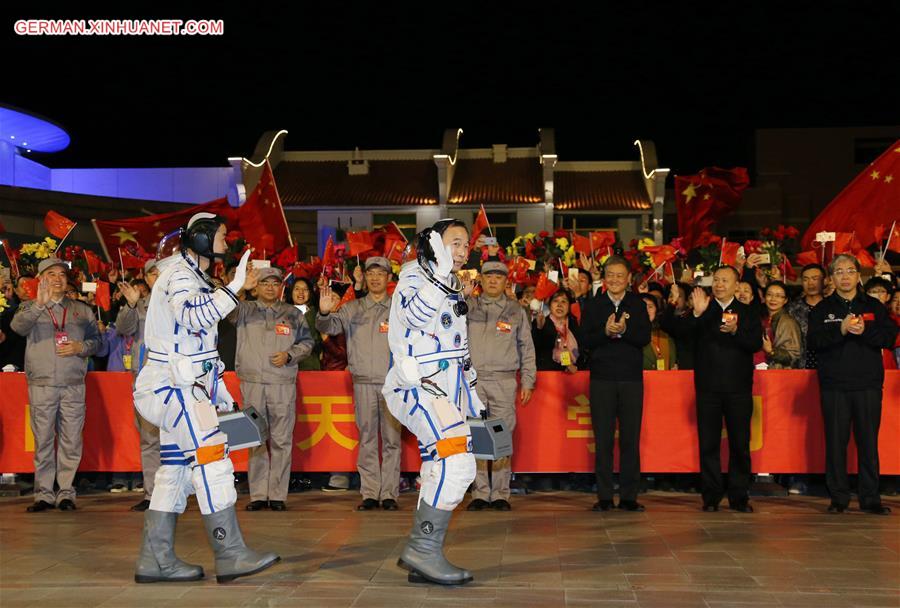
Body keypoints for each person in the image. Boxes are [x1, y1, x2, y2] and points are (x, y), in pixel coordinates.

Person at [132, 212, 279, 584]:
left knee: (175, 472)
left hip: (181, 385)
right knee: (213, 460)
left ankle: (155, 559)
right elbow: (195, 318)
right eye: (222, 236)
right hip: (173, 386)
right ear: (199, 238)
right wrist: (235, 287)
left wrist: (219, 393)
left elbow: (201, 349)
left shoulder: (193, 276)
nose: (226, 242)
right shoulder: (180, 277)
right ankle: (229, 553)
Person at [382, 219, 485, 585]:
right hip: (419, 384)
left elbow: (459, 343)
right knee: (456, 463)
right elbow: (415, 316)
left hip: (448, 386)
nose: (462, 250)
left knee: (439, 466)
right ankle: (423, 550)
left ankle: (421, 555)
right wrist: (441, 275)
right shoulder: (414, 276)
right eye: (454, 243)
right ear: (433, 244)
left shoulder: (450, 283)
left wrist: (472, 393)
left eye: (465, 245)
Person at [807, 254, 898, 515]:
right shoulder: (823, 309)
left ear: (859, 275)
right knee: (836, 442)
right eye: (839, 272)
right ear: (831, 278)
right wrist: (841, 330)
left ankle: (870, 498)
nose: (844, 276)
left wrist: (865, 331)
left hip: (867, 384)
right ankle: (838, 497)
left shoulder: (874, 306)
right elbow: (813, 342)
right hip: (834, 386)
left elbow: (889, 337)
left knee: (868, 442)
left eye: (849, 271)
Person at [11, 258, 101, 512]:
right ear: (41, 279)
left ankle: (66, 494)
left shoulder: (81, 310)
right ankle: (43, 494)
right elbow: (17, 327)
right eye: (51, 274)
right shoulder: (29, 307)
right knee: (43, 440)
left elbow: (98, 341)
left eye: (62, 274)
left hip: (73, 383)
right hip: (41, 383)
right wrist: (38, 305)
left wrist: (80, 347)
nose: (58, 278)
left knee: (72, 441)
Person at [670, 266, 762, 512]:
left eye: (725, 280)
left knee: (740, 444)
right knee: (708, 444)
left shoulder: (748, 312)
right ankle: (710, 497)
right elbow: (679, 332)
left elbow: (754, 343)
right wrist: (697, 316)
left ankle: (739, 496)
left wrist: (736, 332)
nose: (720, 284)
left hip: (738, 389)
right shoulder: (703, 310)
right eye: (717, 280)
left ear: (736, 285)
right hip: (707, 389)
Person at [317, 256, 400, 511]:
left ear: (389, 278)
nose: (375, 277)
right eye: (371, 273)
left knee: (392, 440)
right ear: (364, 276)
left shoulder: (398, 309)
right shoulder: (352, 308)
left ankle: (389, 494)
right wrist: (323, 310)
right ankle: (370, 493)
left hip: (392, 385)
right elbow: (328, 326)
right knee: (367, 439)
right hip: (363, 383)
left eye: (381, 273)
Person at [231, 267, 313, 512]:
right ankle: (258, 494)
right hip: (252, 383)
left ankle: (277, 494)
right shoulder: (243, 310)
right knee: (255, 439)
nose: (269, 287)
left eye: (274, 283)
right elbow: (222, 308)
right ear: (256, 286)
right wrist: (240, 287)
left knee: (281, 440)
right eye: (264, 282)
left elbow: (308, 343)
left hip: (282, 383)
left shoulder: (293, 314)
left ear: (281, 287)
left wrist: (290, 355)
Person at [581, 255, 651, 512]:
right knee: (604, 440)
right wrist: (605, 332)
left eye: (620, 276)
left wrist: (622, 331)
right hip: (602, 379)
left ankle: (630, 496)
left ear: (629, 279)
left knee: (630, 439)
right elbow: (585, 339)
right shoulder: (594, 305)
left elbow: (643, 336)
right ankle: (605, 496)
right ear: (604, 277)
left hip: (631, 379)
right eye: (610, 275)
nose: (614, 280)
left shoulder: (638, 304)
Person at [465, 260, 536, 511]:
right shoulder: (467, 307)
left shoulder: (516, 311)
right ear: (480, 281)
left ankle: (501, 494)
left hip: (504, 381)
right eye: (488, 276)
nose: (493, 281)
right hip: (474, 380)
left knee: (500, 437)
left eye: (498, 277)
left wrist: (528, 380)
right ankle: (480, 493)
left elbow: (527, 348)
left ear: (506, 282)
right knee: (476, 436)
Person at [115, 259, 162, 511]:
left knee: (177, 440)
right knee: (148, 439)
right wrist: (130, 303)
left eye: (160, 272)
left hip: (174, 378)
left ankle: (180, 491)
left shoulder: (177, 303)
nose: (156, 277)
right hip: (144, 380)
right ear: (145, 278)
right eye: (152, 273)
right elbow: (123, 328)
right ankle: (152, 495)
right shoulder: (137, 304)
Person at [532, 289, 584, 372]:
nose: (559, 305)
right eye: (555, 301)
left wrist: (576, 367)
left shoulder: (574, 325)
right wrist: (539, 328)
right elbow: (535, 346)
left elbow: (581, 351)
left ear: (569, 306)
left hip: (571, 377)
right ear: (550, 305)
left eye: (564, 301)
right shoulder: (541, 322)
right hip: (547, 375)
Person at [786, 263, 826, 370]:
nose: (810, 283)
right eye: (806, 279)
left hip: (828, 367)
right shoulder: (792, 309)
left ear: (824, 281)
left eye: (815, 278)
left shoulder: (832, 307)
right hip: (800, 367)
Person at [287, 277, 322, 370]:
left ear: (310, 293)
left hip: (309, 365)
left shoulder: (316, 314)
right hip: (286, 366)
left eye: (305, 289)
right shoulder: (282, 313)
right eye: (297, 289)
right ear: (291, 292)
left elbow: (317, 342)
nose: (301, 292)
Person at [640, 293, 677, 371]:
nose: (646, 310)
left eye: (650, 306)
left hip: (664, 381)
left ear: (656, 310)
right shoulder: (627, 335)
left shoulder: (665, 336)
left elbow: (673, 364)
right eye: (642, 306)